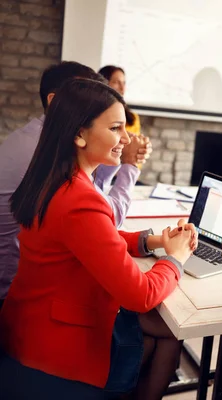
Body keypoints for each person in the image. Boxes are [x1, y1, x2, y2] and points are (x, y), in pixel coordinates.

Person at [0, 78, 197, 399]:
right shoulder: (81, 199)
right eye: (116, 128)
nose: (127, 138)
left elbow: (88, 237)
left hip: (27, 325)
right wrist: (176, 259)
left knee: (165, 334)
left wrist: (152, 241)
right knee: (169, 332)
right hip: (57, 347)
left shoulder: (52, 177)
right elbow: (141, 294)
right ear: (79, 134)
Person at [0, 61, 150, 311]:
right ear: (56, 100)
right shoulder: (47, 152)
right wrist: (130, 165)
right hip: (19, 291)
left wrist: (117, 153)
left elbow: (94, 200)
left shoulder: (40, 139)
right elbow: (104, 216)